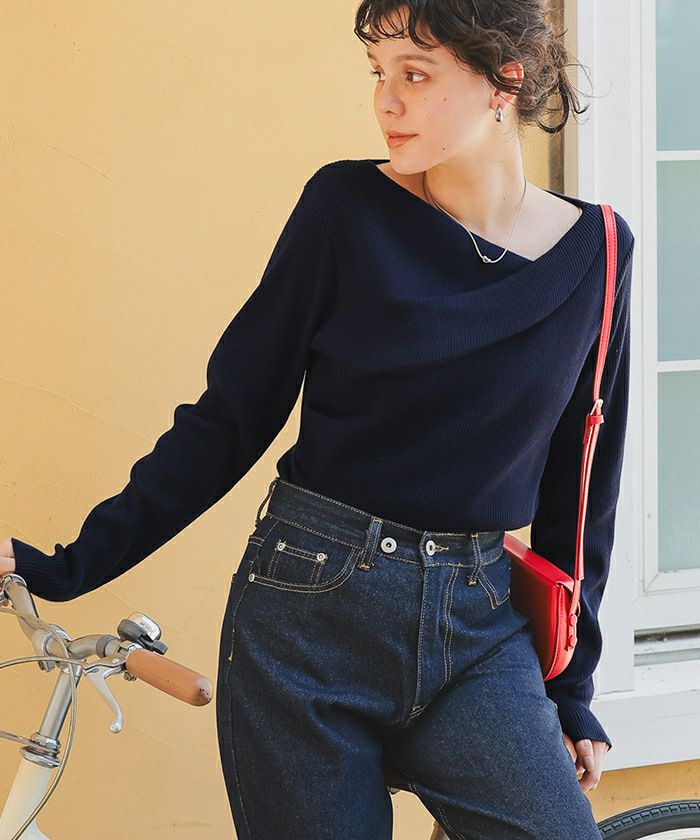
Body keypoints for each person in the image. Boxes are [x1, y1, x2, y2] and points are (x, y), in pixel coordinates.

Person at [1, 1, 635, 837]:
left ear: (503, 82)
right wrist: (64, 567)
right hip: (308, 613)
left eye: (416, 74)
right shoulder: (345, 209)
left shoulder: (601, 253)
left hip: (479, 629)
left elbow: (582, 489)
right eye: (379, 73)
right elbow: (230, 418)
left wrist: (572, 688)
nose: (386, 102)